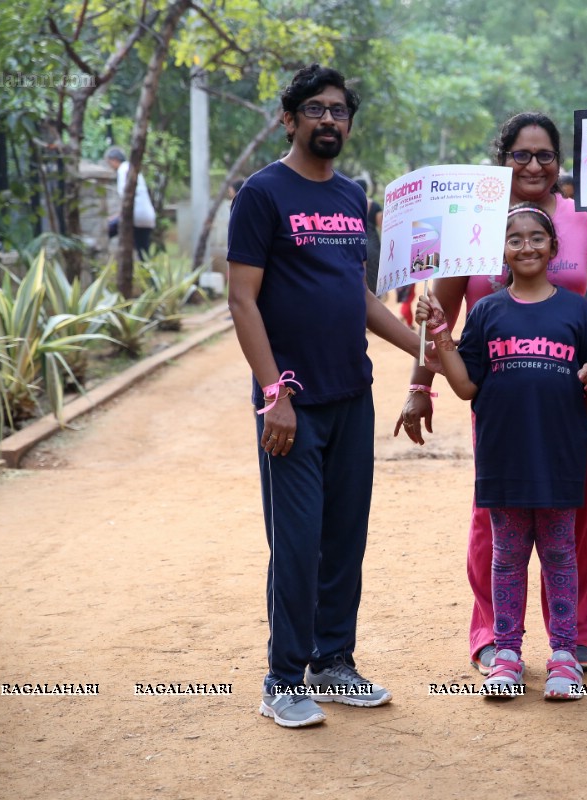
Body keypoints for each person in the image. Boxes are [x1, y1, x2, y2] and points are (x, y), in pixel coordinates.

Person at [227, 64, 421, 728]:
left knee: (344, 539)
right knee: (299, 539)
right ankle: (282, 679)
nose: (329, 119)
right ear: (289, 119)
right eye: (315, 109)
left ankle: (333, 662)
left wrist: (424, 349)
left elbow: (359, 297)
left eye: (339, 110)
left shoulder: (350, 197)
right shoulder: (262, 194)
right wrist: (272, 391)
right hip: (292, 403)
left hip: (351, 396)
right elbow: (241, 299)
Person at [396, 112, 587, 676]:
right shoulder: (474, 220)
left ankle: (573, 634)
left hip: (569, 403)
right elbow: (441, 313)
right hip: (498, 401)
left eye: (546, 155)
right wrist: (420, 386)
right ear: (503, 160)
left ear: (560, 163)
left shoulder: (585, 220)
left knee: (575, 519)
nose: (534, 166)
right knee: (494, 523)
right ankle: (493, 635)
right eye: (521, 155)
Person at [416, 204, 587, 700]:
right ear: (499, 250)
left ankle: (564, 654)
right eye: (514, 239)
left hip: (558, 455)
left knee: (560, 556)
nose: (526, 246)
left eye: (536, 238)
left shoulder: (577, 311)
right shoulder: (487, 311)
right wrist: (440, 332)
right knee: (506, 559)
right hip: (504, 455)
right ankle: (507, 654)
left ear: (553, 246)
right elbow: (464, 386)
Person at [105, 146, 157, 260]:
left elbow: (127, 198)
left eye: (109, 162)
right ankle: (149, 275)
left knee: (105, 231)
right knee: (143, 252)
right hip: (147, 217)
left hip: (135, 216)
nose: (110, 166)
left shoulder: (123, 170)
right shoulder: (131, 169)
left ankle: (100, 256)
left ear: (114, 160)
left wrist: (114, 218)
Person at [353, 177, 383, 291]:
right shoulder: (375, 205)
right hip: (373, 248)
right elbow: (383, 227)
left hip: (356, 248)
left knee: (360, 286)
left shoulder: (349, 206)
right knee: (374, 286)